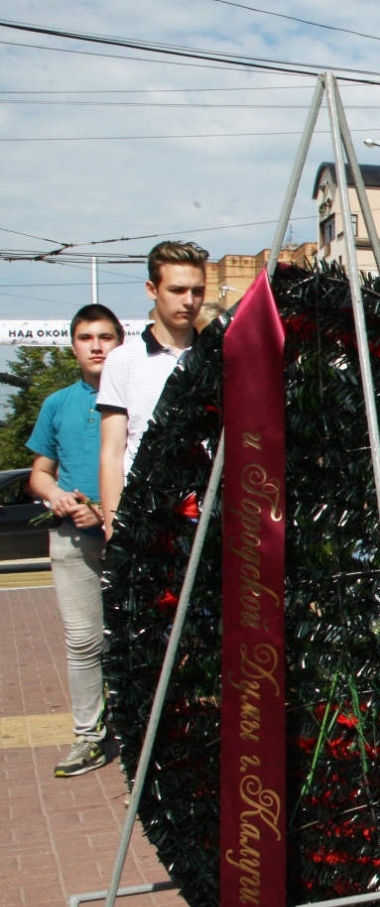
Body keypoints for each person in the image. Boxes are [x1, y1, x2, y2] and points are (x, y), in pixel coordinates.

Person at [29, 305, 122, 777]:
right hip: (72, 540)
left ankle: (144, 733)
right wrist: (58, 496)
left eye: (106, 336)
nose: (96, 346)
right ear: (73, 346)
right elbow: (39, 475)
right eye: (86, 337)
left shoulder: (139, 397)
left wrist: (107, 512)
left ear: (119, 342)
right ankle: (89, 738)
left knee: (136, 639)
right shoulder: (57, 404)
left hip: (126, 538)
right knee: (83, 642)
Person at [98, 241, 208, 541]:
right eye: (177, 290)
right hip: (144, 516)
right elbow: (112, 451)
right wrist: (112, 524)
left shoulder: (220, 356)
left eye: (197, 291)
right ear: (152, 289)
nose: (189, 301)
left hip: (210, 514)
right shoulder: (123, 360)